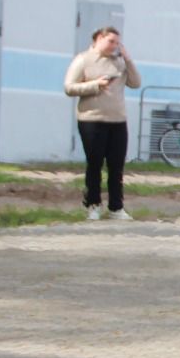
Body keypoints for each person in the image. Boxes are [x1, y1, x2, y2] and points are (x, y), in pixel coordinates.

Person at [63, 26, 141, 221]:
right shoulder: (83, 60)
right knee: (95, 164)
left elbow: (136, 83)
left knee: (116, 166)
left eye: (117, 42)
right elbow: (69, 87)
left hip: (117, 120)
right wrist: (95, 85)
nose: (114, 46)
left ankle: (116, 207)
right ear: (99, 38)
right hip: (92, 119)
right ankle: (93, 204)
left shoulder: (120, 63)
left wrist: (128, 60)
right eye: (111, 41)